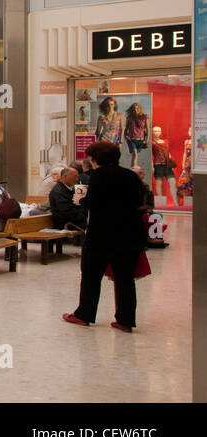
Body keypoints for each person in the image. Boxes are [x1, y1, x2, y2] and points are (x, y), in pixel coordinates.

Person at [63, 141, 147, 332]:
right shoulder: (130, 176)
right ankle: (125, 320)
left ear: (95, 159)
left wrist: (81, 200)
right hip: (130, 234)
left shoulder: (98, 176)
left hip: (103, 234)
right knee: (125, 278)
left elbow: (94, 203)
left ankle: (84, 314)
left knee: (91, 275)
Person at [50, 166, 89, 231]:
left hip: (75, 221)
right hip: (67, 223)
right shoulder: (59, 192)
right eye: (75, 177)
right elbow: (68, 212)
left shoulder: (67, 189)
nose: (77, 179)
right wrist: (85, 217)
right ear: (65, 177)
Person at [123, 103, 148, 168]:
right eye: (134, 109)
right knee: (135, 154)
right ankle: (135, 171)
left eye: (137, 108)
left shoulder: (145, 117)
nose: (136, 110)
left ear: (140, 109)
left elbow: (147, 129)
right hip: (131, 139)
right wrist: (126, 136)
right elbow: (126, 128)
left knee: (134, 156)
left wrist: (147, 140)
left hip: (141, 140)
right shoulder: (129, 118)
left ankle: (132, 171)